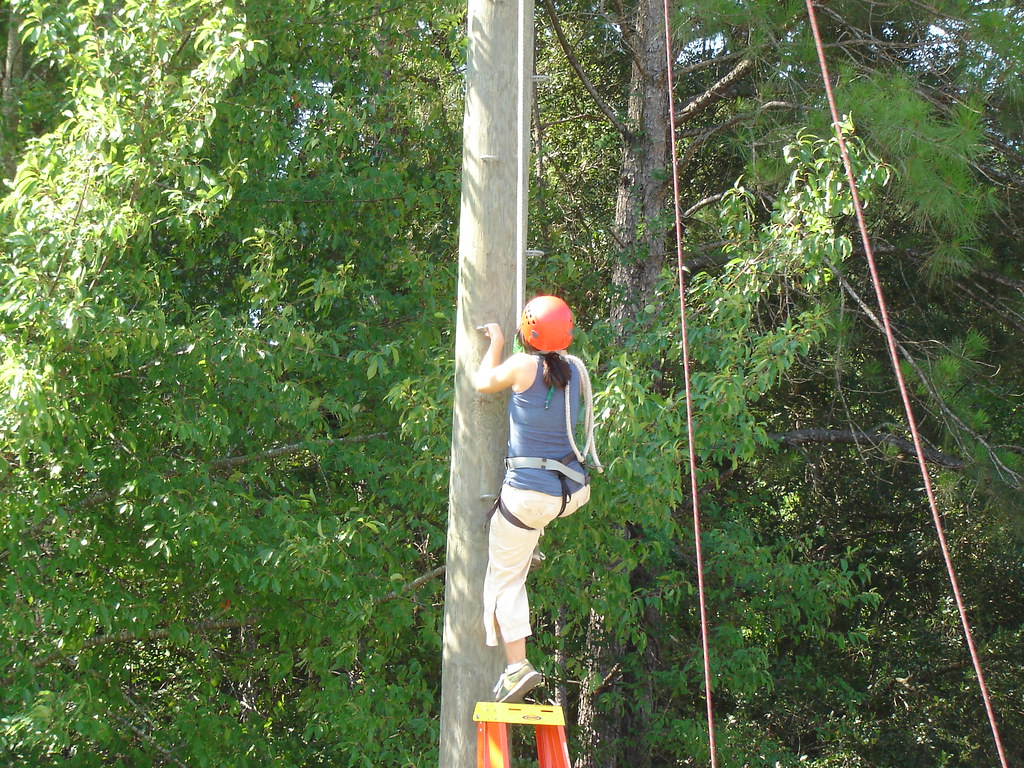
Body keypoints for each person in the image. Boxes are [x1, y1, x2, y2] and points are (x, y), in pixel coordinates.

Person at [475, 295, 601, 703]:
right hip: (568, 493)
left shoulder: (520, 365)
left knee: (505, 580)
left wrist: (495, 342)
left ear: (527, 332)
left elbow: (481, 382)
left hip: (529, 497)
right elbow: (548, 373)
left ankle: (516, 668)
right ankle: (529, 545)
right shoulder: (576, 372)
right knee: (522, 533)